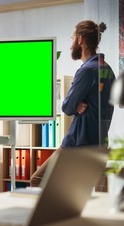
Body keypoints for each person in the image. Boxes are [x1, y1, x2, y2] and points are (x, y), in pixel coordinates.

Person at [30, 20, 115, 187]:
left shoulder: (86, 70)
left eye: (72, 38)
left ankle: (50, 214)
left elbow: (67, 107)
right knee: (92, 193)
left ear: (80, 40)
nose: (71, 44)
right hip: (99, 144)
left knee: (37, 180)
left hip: (77, 145)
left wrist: (76, 104)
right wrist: (79, 103)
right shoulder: (107, 68)